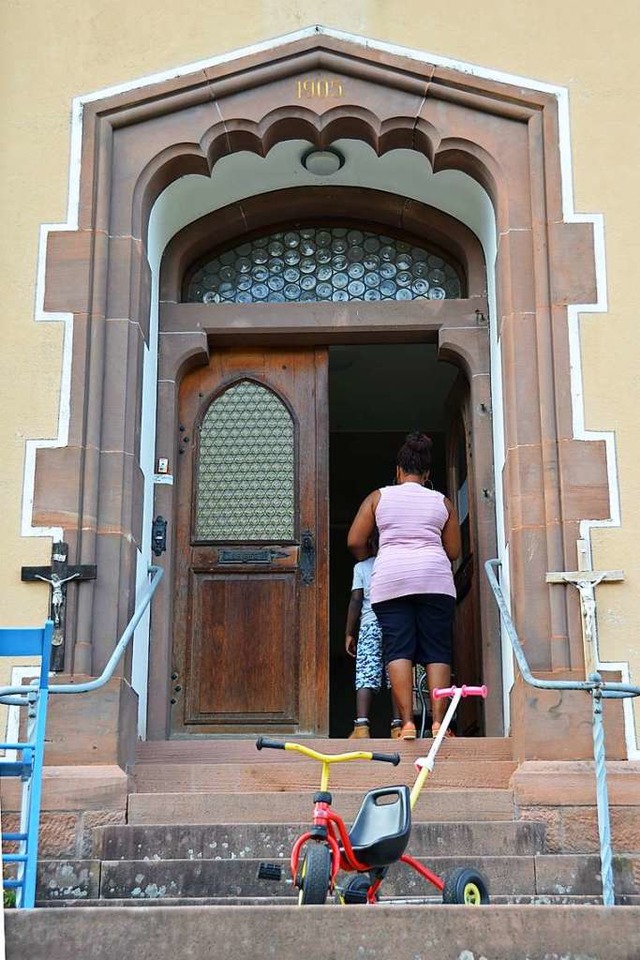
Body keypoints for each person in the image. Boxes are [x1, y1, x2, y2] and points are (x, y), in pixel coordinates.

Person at [347, 432, 461, 741]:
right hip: (434, 580)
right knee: (437, 650)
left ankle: (407, 724)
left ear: (398, 471)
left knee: (398, 649)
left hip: (391, 580)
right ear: (427, 474)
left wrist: (384, 554)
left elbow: (355, 540)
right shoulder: (442, 501)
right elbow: (453, 551)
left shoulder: (378, 497)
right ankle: (439, 724)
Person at [345, 532, 402, 739]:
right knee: (397, 673)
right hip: (395, 624)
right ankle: (398, 726)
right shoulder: (396, 565)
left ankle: (361, 726)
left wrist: (349, 633)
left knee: (366, 674)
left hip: (369, 625)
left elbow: (356, 600)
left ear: (371, 544)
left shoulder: (361, 567)